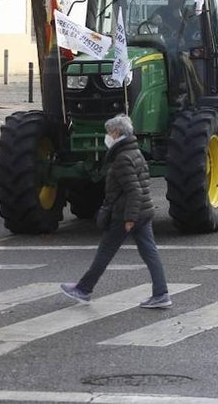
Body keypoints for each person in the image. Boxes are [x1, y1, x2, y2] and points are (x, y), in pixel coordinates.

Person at [61, 114, 171, 309]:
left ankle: (84, 289)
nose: (107, 136)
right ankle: (161, 293)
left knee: (105, 252)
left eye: (109, 132)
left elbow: (134, 190)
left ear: (117, 133)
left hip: (125, 214)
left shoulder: (122, 158)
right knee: (150, 253)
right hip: (142, 212)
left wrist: (129, 219)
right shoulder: (136, 153)